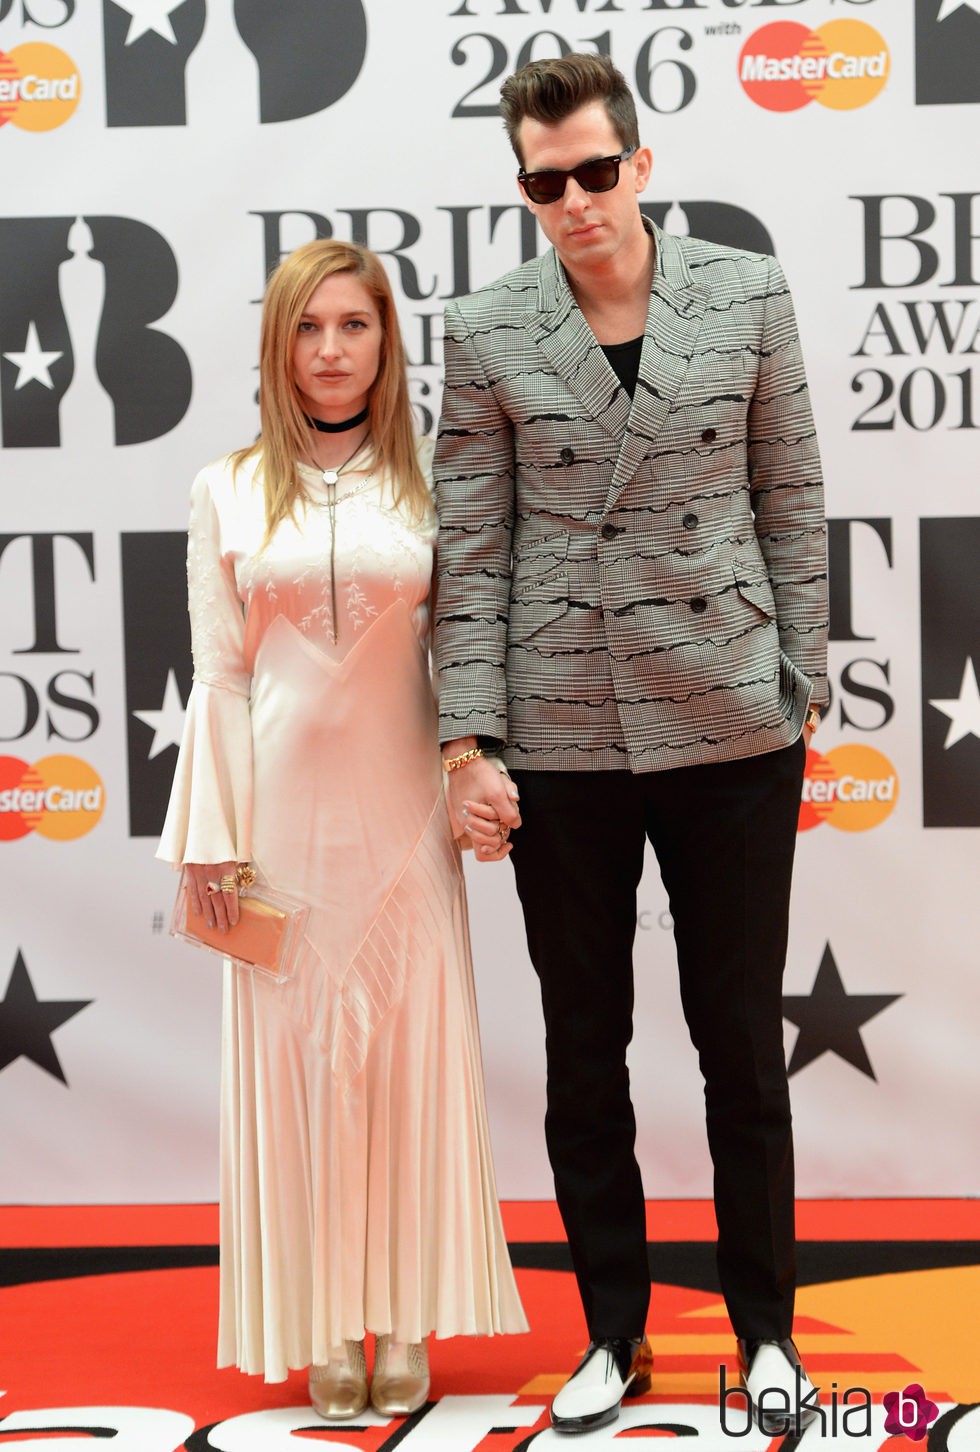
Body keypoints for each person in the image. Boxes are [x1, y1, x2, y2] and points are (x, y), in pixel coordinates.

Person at [433, 53, 828, 1438]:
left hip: (729, 719)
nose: (576, 203)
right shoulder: (484, 330)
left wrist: (803, 683)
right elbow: (472, 550)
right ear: (525, 189)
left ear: (642, 166)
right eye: (547, 184)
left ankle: (768, 1330)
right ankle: (614, 1332)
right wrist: (469, 739)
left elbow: (790, 489)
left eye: (597, 172)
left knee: (737, 1044)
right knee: (583, 1049)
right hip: (565, 731)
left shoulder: (750, 291)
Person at [158, 239, 526, 1421]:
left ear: (385, 342)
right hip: (271, 829)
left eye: (353, 327)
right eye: (308, 328)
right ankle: (322, 1321)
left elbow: (465, 658)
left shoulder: (437, 490)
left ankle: (406, 1317)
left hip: (401, 820)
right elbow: (217, 676)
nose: (329, 351)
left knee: (409, 1057)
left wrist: (474, 770)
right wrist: (210, 841)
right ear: (277, 343)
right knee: (293, 1069)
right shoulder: (222, 488)